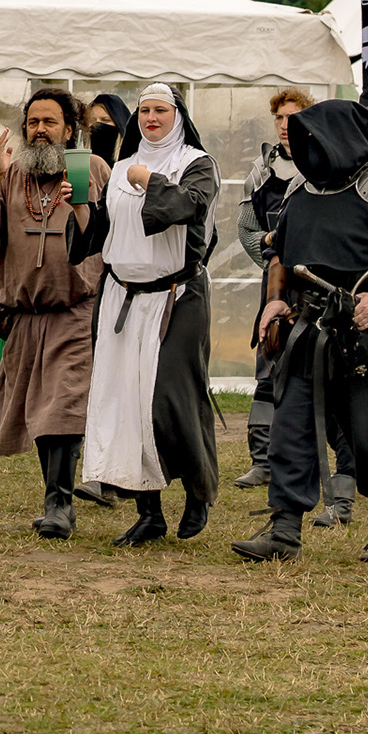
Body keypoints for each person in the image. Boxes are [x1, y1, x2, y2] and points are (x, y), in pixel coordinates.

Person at [234, 100, 368, 562]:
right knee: (292, 427)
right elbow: (280, 256)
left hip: (362, 333)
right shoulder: (301, 189)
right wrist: (274, 300)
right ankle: (284, 529)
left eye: (313, 135)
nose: (305, 144)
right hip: (306, 329)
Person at [0, 88, 104, 538]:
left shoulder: (90, 168)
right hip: (24, 314)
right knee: (41, 409)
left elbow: (105, 235)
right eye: (33, 123)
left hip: (75, 310)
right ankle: (55, 497)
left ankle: (59, 505)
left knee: (62, 404)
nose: (40, 130)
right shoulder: (13, 173)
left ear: (70, 129)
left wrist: (81, 204)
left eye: (50, 123)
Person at [82, 84, 221, 547]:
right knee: (125, 403)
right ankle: (149, 511)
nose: (151, 117)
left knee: (168, 400)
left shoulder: (197, 164)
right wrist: (79, 207)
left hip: (177, 296)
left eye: (161, 109)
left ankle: (198, 492)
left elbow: (189, 207)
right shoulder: (120, 166)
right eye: (143, 111)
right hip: (122, 296)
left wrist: (150, 181)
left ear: (177, 115)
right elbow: (101, 234)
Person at [233, 86, 314, 490]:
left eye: (293, 118)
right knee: (267, 368)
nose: (285, 126)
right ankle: (262, 460)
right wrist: (269, 249)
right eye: (279, 118)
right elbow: (248, 229)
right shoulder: (261, 171)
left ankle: (324, 464)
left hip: (317, 284)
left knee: (317, 372)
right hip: (276, 283)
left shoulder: (322, 164)